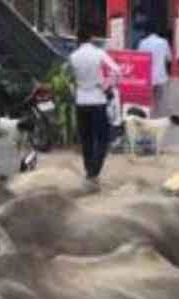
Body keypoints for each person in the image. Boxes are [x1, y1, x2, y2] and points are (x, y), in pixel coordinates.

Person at [69, 25, 122, 185]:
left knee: (86, 138)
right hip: (98, 100)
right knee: (103, 137)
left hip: (81, 101)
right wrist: (106, 85)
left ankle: (89, 171)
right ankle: (94, 171)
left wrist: (76, 91)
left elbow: (70, 79)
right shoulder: (98, 53)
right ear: (91, 37)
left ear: (78, 38)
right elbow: (117, 70)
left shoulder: (73, 56)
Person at [136, 29, 170, 117]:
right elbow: (169, 58)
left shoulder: (142, 42)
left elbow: (139, 58)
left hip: (148, 75)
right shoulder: (164, 42)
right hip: (160, 75)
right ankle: (158, 115)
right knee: (159, 98)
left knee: (148, 98)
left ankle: (148, 115)